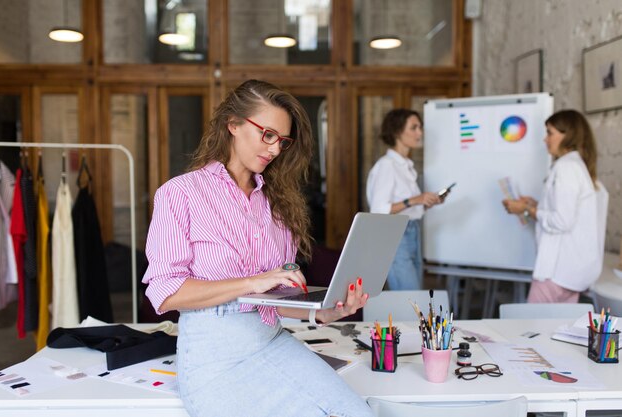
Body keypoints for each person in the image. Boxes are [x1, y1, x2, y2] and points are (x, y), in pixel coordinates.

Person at [142, 79, 374, 417]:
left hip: (272, 341)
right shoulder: (180, 194)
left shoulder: (278, 205)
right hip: (215, 359)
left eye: (282, 141)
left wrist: (326, 312)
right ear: (232, 125)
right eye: (267, 135)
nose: (275, 149)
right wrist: (253, 281)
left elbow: (273, 303)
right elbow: (166, 292)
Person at [502, 109, 608, 303]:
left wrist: (525, 210)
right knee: (558, 331)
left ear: (567, 135)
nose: (545, 139)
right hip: (574, 272)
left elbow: (561, 220)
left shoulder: (566, 168)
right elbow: (568, 210)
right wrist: (536, 204)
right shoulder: (578, 166)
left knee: (529, 329)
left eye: (550, 133)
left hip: (558, 271)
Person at [366, 108, 443, 290]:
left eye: (420, 127)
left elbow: (408, 206)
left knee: (412, 296)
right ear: (397, 131)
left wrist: (426, 203)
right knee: (409, 296)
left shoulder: (405, 165)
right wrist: (415, 200)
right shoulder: (387, 166)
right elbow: (378, 210)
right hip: (397, 234)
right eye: (414, 127)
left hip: (412, 231)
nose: (420, 133)